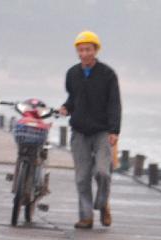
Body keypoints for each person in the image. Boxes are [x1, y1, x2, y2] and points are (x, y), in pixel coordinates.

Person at [59, 30, 121, 229]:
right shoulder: (72, 73)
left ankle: (103, 204)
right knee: (82, 176)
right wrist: (66, 107)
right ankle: (86, 217)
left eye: (88, 49)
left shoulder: (107, 74)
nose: (84, 53)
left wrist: (114, 130)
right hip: (79, 131)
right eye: (81, 50)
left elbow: (114, 104)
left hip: (102, 131)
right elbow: (73, 99)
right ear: (77, 52)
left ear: (95, 50)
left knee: (103, 172)